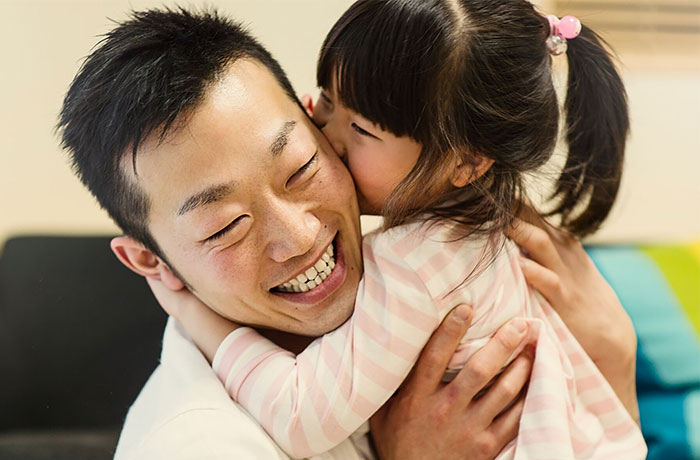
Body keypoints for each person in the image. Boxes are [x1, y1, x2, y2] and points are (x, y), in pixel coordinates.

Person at [55, 7, 638, 460]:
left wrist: (615, 357)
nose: (301, 236)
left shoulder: (439, 248)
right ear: (151, 263)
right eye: (226, 225)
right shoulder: (198, 442)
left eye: (303, 166)